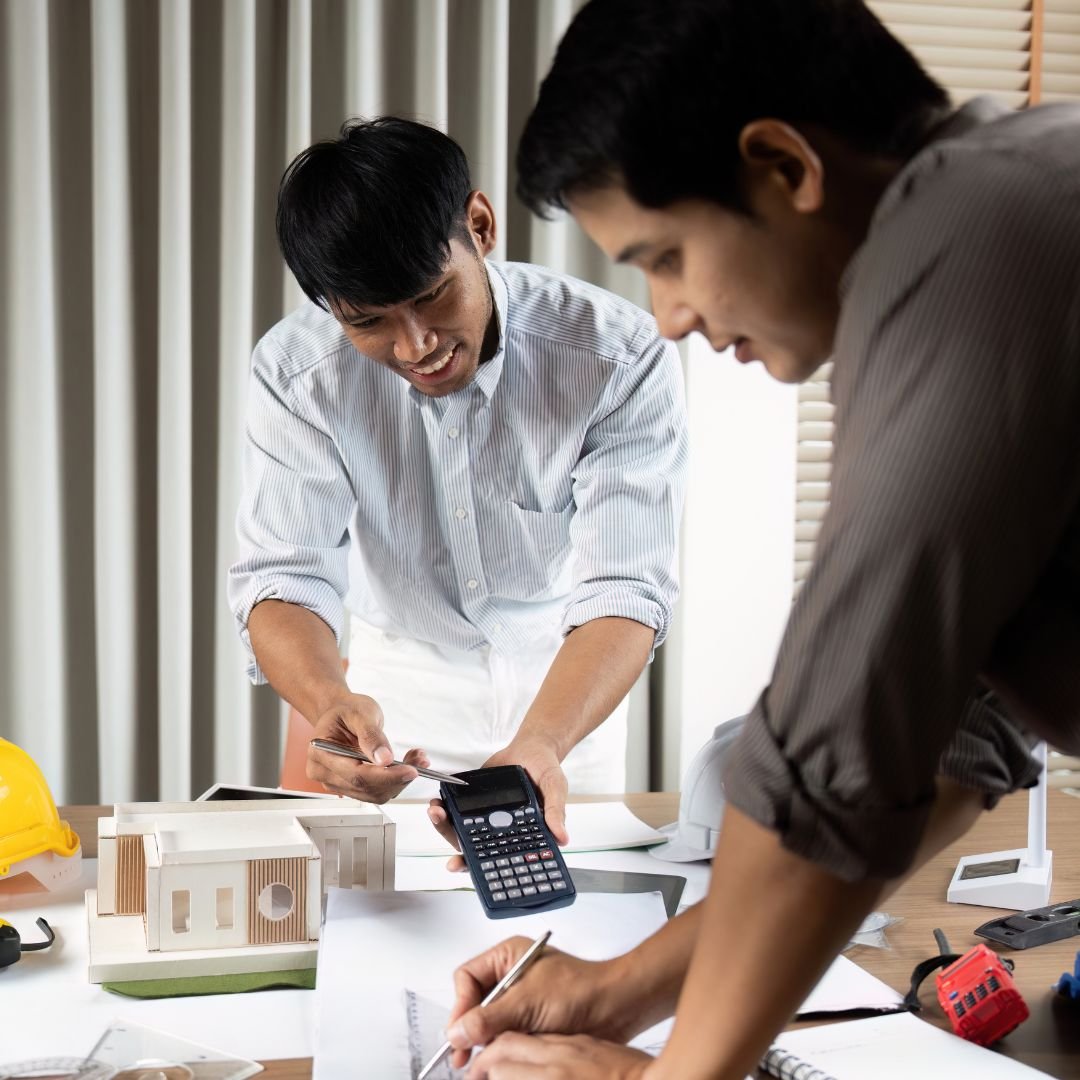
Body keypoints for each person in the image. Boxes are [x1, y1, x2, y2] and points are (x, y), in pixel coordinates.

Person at [440, 2, 1080, 1077]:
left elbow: (832, 748)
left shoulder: (974, 244)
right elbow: (948, 736)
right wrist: (615, 992)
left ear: (784, 166)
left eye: (666, 257)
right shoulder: (1013, 189)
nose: (669, 316)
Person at [227, 117, 687, 847]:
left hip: (567, 683)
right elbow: (284, 575)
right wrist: (327, 701)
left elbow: (625, 585)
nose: (416, 345)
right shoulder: (296, 373)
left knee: (574, 902)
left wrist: (544, 740)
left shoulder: (619, 356)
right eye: (370, 322)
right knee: (387, 909)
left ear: (480, 226)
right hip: (399, 691)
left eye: (433, 295)